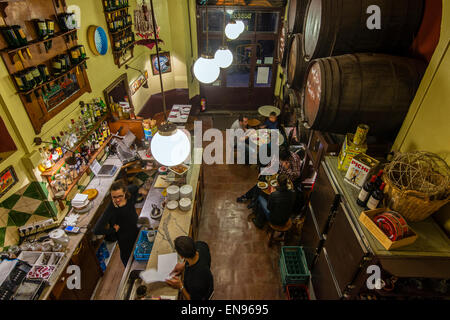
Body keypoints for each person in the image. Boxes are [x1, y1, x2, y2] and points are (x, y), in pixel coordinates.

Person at [93, 180, 147, 267]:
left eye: (120, 196)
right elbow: (96, 230)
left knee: (143, 252)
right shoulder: (111, 209)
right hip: (125, 240)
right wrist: (113, 230)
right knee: (129, 261)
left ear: (125, 193)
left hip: (136, 229)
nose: (117, 199)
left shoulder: (130, 192)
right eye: (114, 197)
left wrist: (142, 190)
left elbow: (135, 188)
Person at [236, 146, 302, 205]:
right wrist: (263, 172)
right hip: (277, 175)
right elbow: (271, 165)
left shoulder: (295, 158)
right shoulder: (278, 154)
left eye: (281, 160)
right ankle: (249, 197)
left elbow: (297, 175)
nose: (280, 161)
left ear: (287, 158)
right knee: (261, 182)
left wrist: (287, 169)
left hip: (288, 180)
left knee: (268, 189)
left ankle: (253, 200)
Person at [166, 236, 214, 300]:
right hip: (206, 281)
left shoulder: (195, 282)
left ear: (181, 256)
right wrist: (184, 265)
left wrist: (180, 286)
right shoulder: (201, 245)